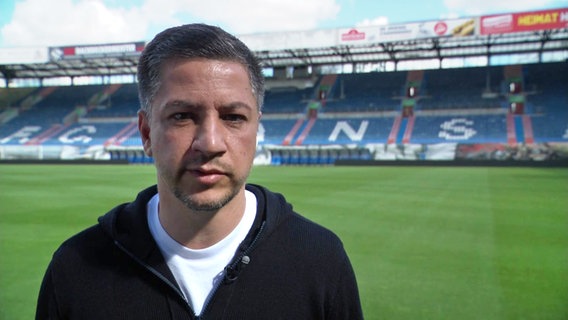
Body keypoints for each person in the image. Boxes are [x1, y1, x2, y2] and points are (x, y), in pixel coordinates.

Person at [36, 23, 363, 319]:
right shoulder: (76, 269)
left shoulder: (320, 260)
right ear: (147, 133)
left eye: (234, 117)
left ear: (256, 130)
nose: (209, 143)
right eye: (182, 116)